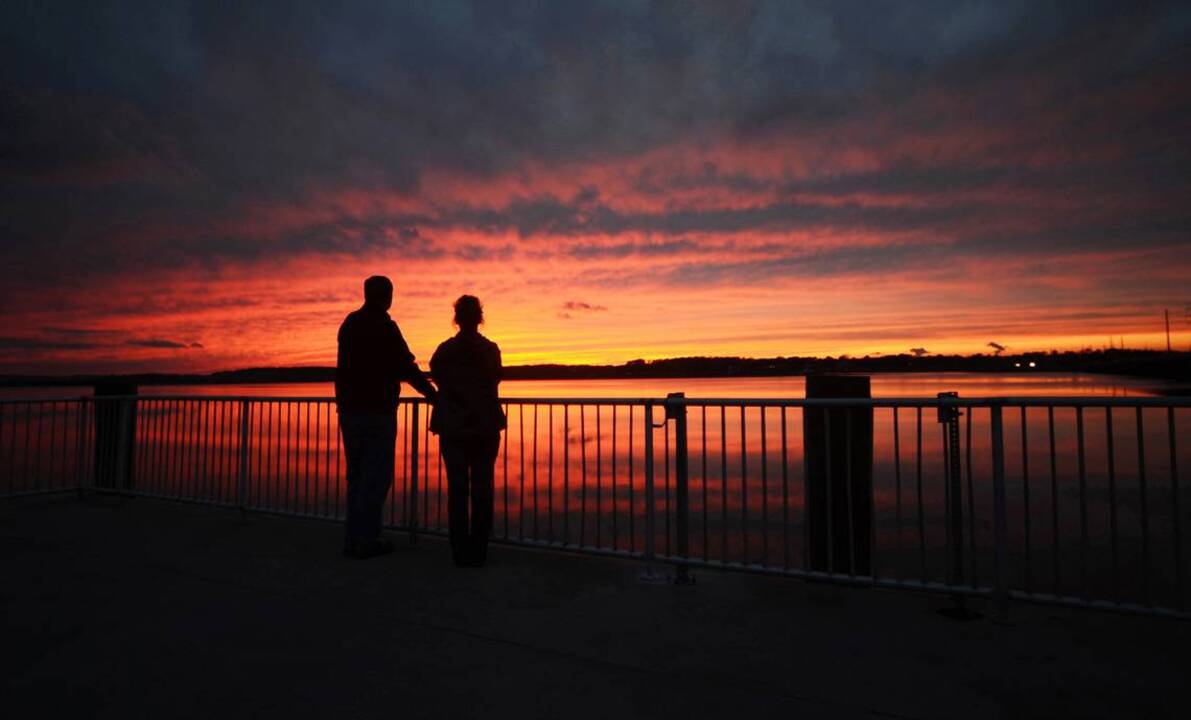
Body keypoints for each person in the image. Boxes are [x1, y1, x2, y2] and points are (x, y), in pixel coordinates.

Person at [336, 275, 437, 559]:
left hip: (349, 412)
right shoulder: (385, 327)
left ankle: (352, 540)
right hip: (377, 411)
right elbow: (405, 366)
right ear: (387, 296)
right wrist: (431, 394)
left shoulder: (350, 324)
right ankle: (367, 541)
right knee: (376, 478)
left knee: (356, 478)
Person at [429, 295, 505, 567]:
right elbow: (495, 377)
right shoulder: (490, 350)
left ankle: (459, 550)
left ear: (457, 318)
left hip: (454, 427)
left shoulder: (444, 351)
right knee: (482, 489)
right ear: (479, 317)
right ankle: (480, 551)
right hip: (484, 427)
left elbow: (436, 375)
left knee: (457, 490)